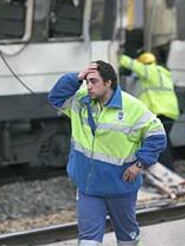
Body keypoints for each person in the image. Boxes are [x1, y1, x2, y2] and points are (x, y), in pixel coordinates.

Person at [48, 60, 166, 245]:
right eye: (87, 81)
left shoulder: (132, 107)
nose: (88, 86)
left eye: (93, 81)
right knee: (88, 241)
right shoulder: (80, 101)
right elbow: (55, 97)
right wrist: (77, 77)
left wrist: (139, 164)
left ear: (108, 82)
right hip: (89, 187)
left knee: (128, 240)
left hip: (120, 187)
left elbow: (157, 135)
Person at [119, 52, 179, 170]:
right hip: (171, 112)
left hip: (160, 111)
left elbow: (132, 64)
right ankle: (169, 167)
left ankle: (167, 169)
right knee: (166, 141)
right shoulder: (164, 74)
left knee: (158, 142)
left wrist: (118, 56)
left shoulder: (149, 71)